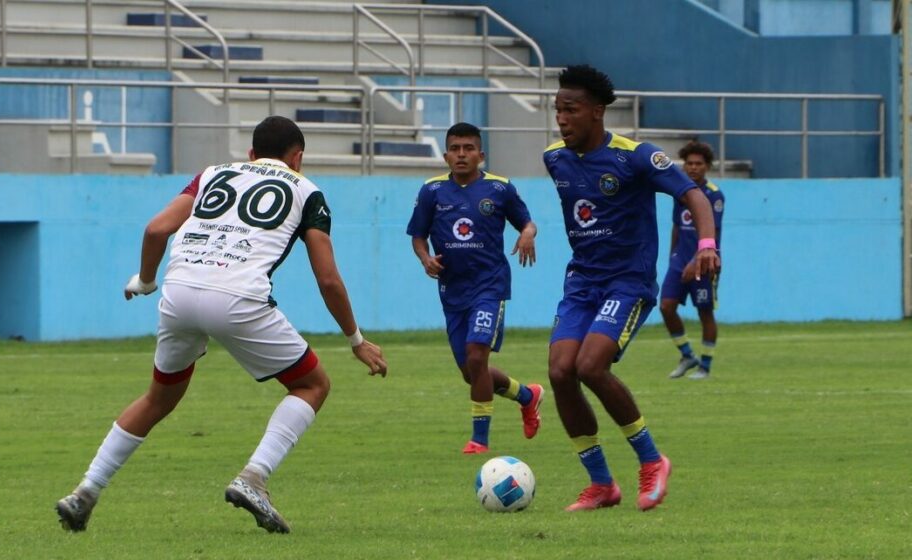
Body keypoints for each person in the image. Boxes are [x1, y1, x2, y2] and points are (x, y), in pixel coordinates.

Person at [55, 116, 388, 534]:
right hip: (237, 297)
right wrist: (356, 339)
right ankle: (254, 477)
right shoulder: (307, 191)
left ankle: (84, 492)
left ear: (250, 154)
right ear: (298, 157)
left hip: (178, 293)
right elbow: (328, 278)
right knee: (312, 385)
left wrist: (144, 280)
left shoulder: (211, 174)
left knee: (158, 398)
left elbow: (157, 228)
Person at [543, 65, 720, 512]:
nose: (561, 119)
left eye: (571, 110)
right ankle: (601, 484)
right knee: (561, 371)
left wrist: (705, 244)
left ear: (597, 112)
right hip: (582, 281)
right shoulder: (555, 158)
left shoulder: (636, 157)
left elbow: (693, 195)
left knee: (591, 366)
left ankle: (651, 459)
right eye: (557, 109)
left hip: (628, 282)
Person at [406, 122, 543, 455]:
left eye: (468, 148)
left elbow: (527, 221)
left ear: (481, 154)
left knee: (477, 355)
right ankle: (527, 396)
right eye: (455, 148)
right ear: (445, 155)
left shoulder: (500, 189)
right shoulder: (431, 191)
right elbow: (418, 236)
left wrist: (527, 233)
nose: (462, 154)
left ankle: (479, 440)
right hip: (452, 291)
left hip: (490, 286)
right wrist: (425, 259)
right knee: (472, 373)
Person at [660, 141, 725, 380]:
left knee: (704, 313)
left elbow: (713, 235)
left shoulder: (714, 194)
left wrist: (696, 260)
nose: (693, 168)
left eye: (699, 164)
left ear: (707, 166)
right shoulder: (680, 192)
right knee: (666, 306)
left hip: (705, 262)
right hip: (680, 259)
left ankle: (705, 366)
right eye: (689, 163)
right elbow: (677, 227)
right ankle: (687, 354)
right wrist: (672, 258)